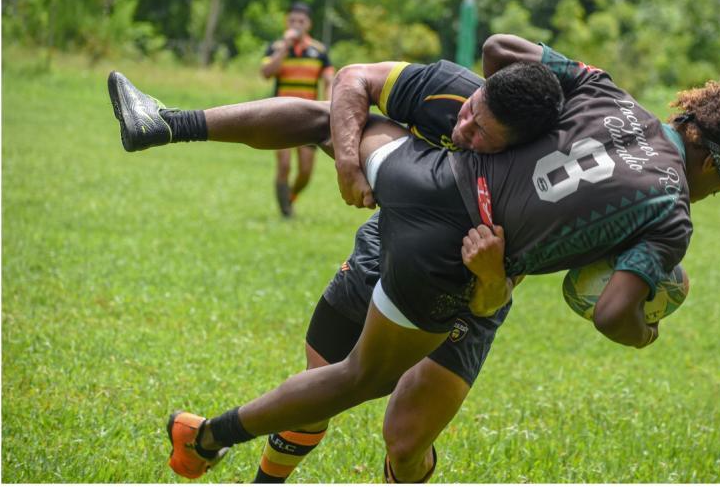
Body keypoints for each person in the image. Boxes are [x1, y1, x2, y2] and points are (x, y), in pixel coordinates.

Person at [108, 35, 720, 481]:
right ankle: (208, 437)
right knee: (358, 376)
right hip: (445, 259)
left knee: (329, 119)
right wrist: (646, 326)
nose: (717, 191)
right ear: (715, 162)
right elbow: (611, 313)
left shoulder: (603, 93)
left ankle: (165, 122)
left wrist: (522, 98)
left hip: (424, 177)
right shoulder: (671, 216)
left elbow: (499, 49)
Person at [109, 57, 562, 482]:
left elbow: (490, 301)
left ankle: (207, 437)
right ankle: (165, 123)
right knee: (317, 386)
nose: (463, 128)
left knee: (405, 443)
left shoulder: (535, 192)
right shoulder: (450, 90)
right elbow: (353, 78)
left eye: (481, 132)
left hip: (464, 293)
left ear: (515, 148)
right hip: (390, 242)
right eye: (470, 111)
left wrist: (486, 274)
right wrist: (348, 163)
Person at [261, 1, 333, 217]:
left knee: (305, 171)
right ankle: (285, 213)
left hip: (310, 116)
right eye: (292, 20)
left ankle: (290, 197)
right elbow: (266, 73)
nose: (296, 25)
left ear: (308, 24)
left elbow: (329, 79)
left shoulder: (319, 51)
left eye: (300, 21)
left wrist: (329, 105)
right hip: (280, 115)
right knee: (283, 165)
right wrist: (284, 47)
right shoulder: (276, 48)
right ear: (287, 22)